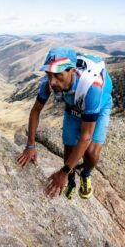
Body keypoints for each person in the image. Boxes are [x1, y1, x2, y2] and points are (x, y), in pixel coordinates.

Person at [17, 47, 113, 199]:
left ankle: (86, 175)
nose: (52, 81)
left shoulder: (92, 87)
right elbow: (35, 111)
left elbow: (86, 137)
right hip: (73, 107)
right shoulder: (48, 82)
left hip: (99, 108)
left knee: (92, 153)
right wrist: (30, 145)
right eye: (49, 75)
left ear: (72, 72)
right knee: (69, 149)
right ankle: (71, 180)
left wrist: (62, 172)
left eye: (58, 75)